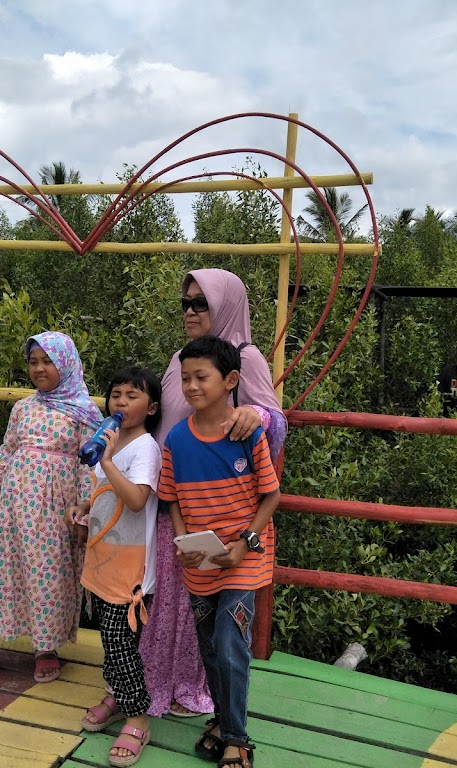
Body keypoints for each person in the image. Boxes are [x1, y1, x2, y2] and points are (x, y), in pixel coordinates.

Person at [139, 268, 287, 720]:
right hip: (174, 497)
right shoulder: (180, 359)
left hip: (221, 508)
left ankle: (200, 692)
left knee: (207, 607)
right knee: (172, 596)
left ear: (226, 305)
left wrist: (256, 416)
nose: (190, 311)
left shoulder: (246, 357)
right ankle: (161, 677)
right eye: (185, 302)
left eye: (200, 303)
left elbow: (275, 418)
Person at [159, 335, 281, 768]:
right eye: (185, 378)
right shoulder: (176, 438)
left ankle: (236, 739)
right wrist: (182, 544)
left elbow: (271, 496)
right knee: (211, 647)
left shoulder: (246, 434)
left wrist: (245, 544)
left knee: (231, 644)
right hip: (200, 562)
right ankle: (223, 720)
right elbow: (171, 498)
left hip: (244, 558)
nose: (191, 386)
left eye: (201, 377)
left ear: (230, 380)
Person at [0, 331, 103, 688]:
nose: (39, 369)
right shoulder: (22, 408)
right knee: (0, 570)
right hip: (14, 507)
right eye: (33, 361)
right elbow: (6, 453)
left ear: (66, 364)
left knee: (49, 575)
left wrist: (84, 512)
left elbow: (89, 468)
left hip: (56, 511)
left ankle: (45, 647)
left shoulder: (85, 413)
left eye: (47, 361)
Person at [70, 366, 162, 767]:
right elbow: (104, 490)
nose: (121, 402)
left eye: (132, 396)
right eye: (116, 395)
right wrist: (83, 506)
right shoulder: (111, 440)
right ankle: (118, 695)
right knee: (110, 639)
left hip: (131, 566)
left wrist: (106, 460)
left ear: (151, 407)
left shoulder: (145, 447)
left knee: (120, 641)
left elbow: (137, 500)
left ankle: (138, 716)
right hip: (103, 556)